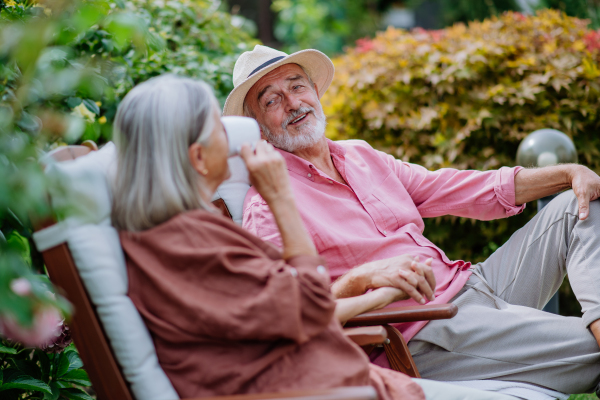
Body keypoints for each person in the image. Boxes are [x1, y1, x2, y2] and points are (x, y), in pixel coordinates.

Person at [224, 45, 600, 396]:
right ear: (257, 126)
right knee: (591, 350)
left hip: (474, 284)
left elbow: (454, 187)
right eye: (272, 100)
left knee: (579, 202)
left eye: (297, 86)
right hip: (424, 330)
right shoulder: (270, 203)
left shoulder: (359, 156)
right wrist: (360, 280)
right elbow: (285, 313)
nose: (293, 103)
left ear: (315, 92)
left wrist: (568, 173)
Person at [110, 75, 510, 400]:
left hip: (342, 375)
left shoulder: (182, 235)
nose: (234, 141)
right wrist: (280, 195)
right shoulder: (190, 246)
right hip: (328, 387)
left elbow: (289, 310)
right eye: (219, 130)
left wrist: (381, 294)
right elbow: (309, 307)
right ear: (198, 158)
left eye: (298, 87)